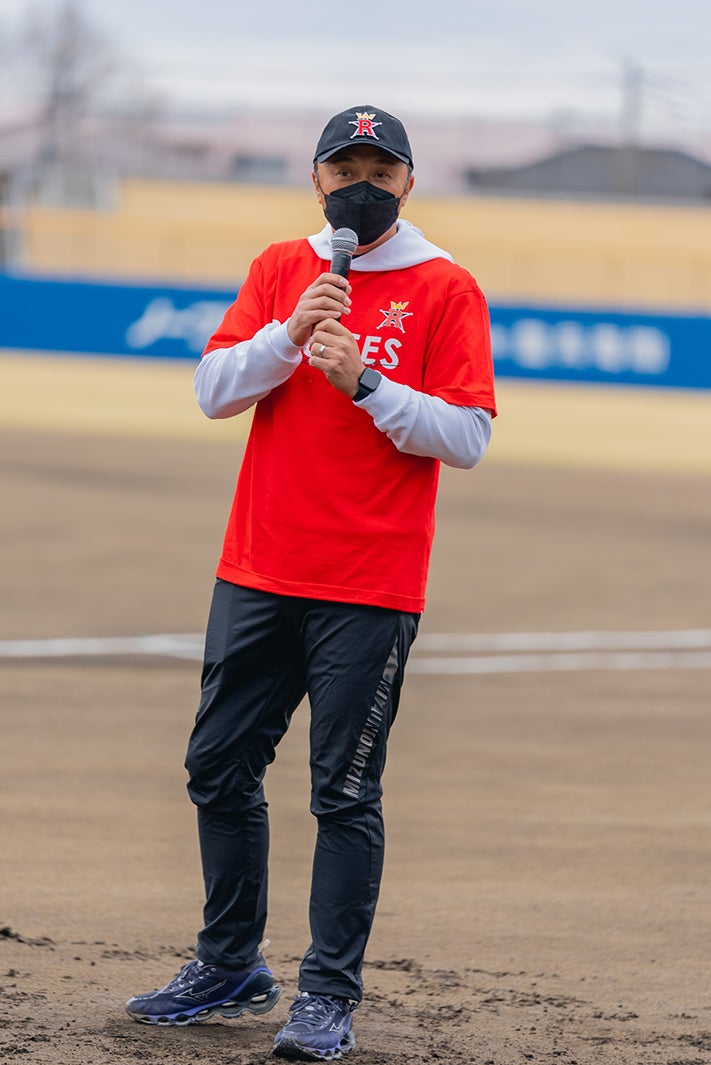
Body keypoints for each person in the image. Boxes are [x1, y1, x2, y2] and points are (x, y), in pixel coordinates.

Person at [124, 104, 497, 1060]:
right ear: (317, 177)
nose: (360, 187)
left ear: (407, 180)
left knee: (344, 792)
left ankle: (326, 995)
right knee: (217, 765)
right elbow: (213, 391)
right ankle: (229, 963)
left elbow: (467, 436)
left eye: (380, 170)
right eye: (344, 170)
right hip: (258, 566)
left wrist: (367, 385)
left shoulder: (445, 284)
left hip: (369, 582)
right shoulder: (279, 268)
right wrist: (289, 335)